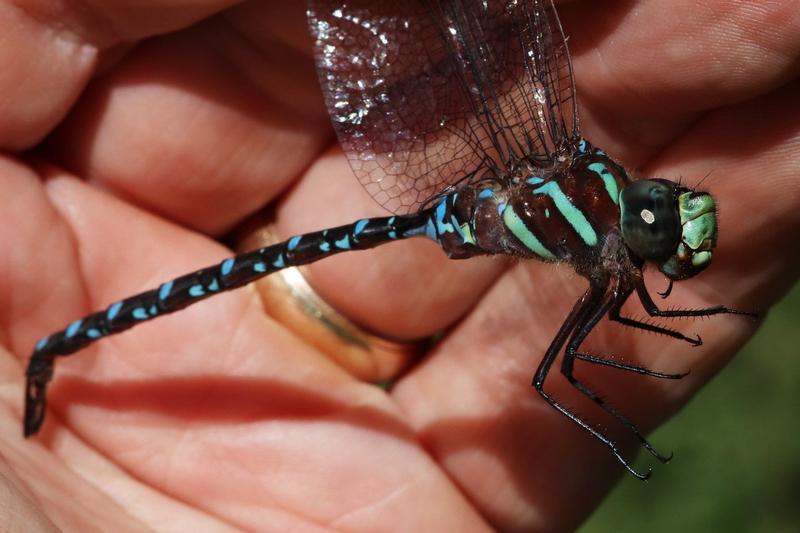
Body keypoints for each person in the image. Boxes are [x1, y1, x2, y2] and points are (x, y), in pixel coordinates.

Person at [0, 1, 797, 531]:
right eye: (667, 217)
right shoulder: (602, 223)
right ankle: (60, 346)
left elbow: (628, 316)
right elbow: (570, 365)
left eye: (671, 226)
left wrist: (680, 319)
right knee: (559, 371)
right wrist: (631, 417)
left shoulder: (606, 237)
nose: (668, 225)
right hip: (447, 208)